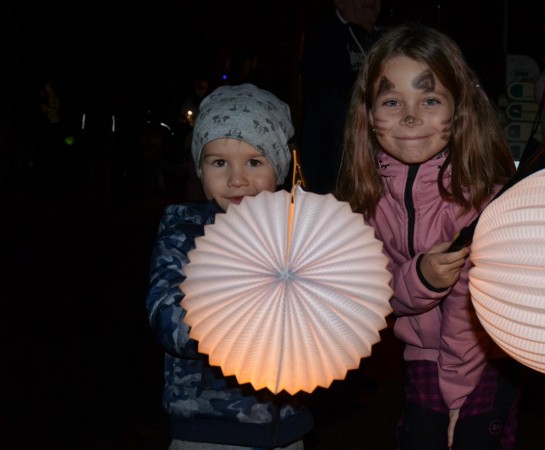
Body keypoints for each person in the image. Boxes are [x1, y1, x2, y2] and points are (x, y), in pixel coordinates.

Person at [335, 23, 521, 450]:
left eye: (430, 99)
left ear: (459, 111)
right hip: (420, 351)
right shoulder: (365, 199)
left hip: (486, 355)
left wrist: (456, 397)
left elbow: (467, 313)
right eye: (392, 100)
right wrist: (421, 278)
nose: (411, 116)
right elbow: (374, 296)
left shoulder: (478, 199)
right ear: (368, 114)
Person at [145, 83, 314, 450]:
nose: (237, 179)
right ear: (200, 170)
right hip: (206, 430)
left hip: (285, 428)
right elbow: (167, 319)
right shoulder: (184, 232)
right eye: (219, 162)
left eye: (254, 162)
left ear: (280, 169)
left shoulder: (301, 236)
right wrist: (242, 306)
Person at [299, 0, 382, 194]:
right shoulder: (325, 38)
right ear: (340, 2)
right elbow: (329, 103)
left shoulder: (388, 38)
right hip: (338, 164)